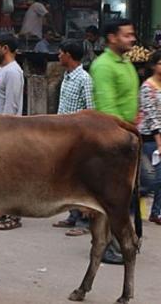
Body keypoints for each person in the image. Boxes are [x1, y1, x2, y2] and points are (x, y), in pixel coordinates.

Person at [91, 19, 139, 265]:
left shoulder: (126, 63)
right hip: (111, 142)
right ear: (112, 38)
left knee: (123, 196)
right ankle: (107, 244)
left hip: (127, 138)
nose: (132, 39)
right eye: (127, 35)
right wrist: (129, 131)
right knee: (111, 198)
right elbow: (107, 111)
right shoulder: (102, 67)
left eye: (132, 35)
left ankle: (121, 238)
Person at [51, 40, 95, 236]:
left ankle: (84, 222)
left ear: (69, 55)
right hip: (63, 134)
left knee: (80, 179)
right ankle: (72, 215)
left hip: (78, 137)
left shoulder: (84, 79)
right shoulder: (67, 76)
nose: (58, 56)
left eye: (61, 53)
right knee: (67, 177)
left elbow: (90, 108)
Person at [0, 32, 25, 231]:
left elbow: (12, 104)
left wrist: (5, 132)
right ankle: (0, 210)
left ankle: (14, 215)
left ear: (5, 49)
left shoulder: (13, 72)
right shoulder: (1, 69)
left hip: (6, 131)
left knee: (10, 175)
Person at [137, 50, 161, 227]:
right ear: (154, 66)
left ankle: (156, 212)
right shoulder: (147, 86)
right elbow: (150, 116)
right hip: (150, 138)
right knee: (152, 179)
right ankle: (135, 201)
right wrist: (160, 144)